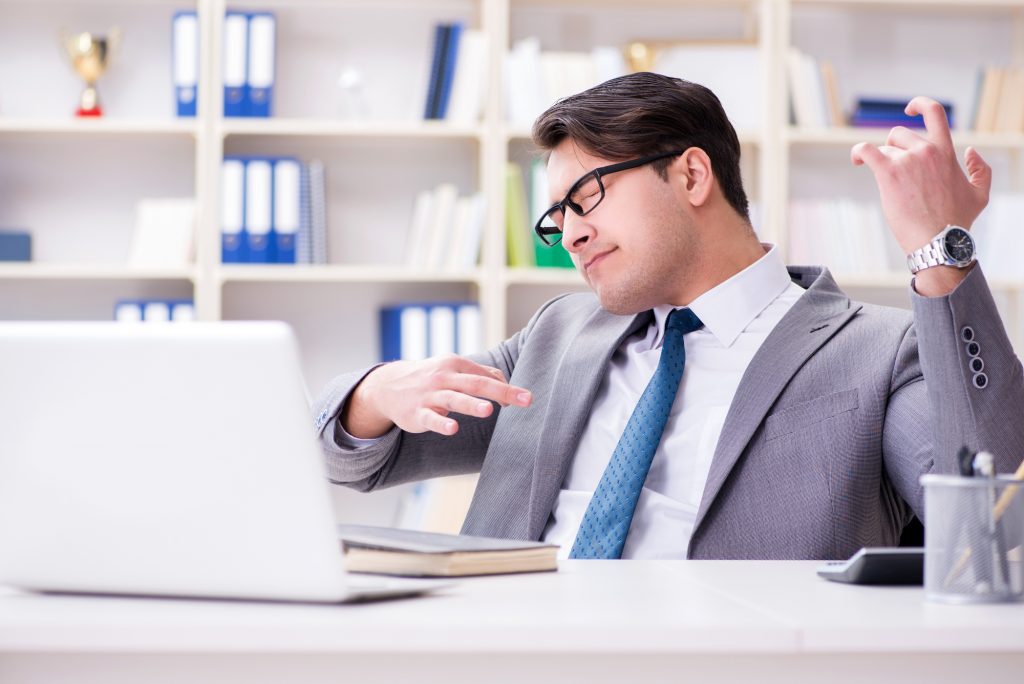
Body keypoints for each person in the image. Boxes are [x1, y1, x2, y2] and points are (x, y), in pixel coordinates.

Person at [313, 72, 1024, 560]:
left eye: (587, 197)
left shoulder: (875, 351)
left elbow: (995, 510)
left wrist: (941, 256)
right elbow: (344, 456)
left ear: (690, 175)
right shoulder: (558, 337)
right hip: (509, 651)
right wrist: (375, 394)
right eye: (556, 219)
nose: (571, 235)